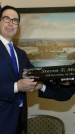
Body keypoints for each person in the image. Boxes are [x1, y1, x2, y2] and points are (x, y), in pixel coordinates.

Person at [0, 5, 41, 134]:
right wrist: (16, 87)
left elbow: (36, 75)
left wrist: (62, 76)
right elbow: (16, 85)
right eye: (6, 18)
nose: (10, 24)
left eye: (15, 20)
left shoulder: (21, 54)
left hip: (19, 120)